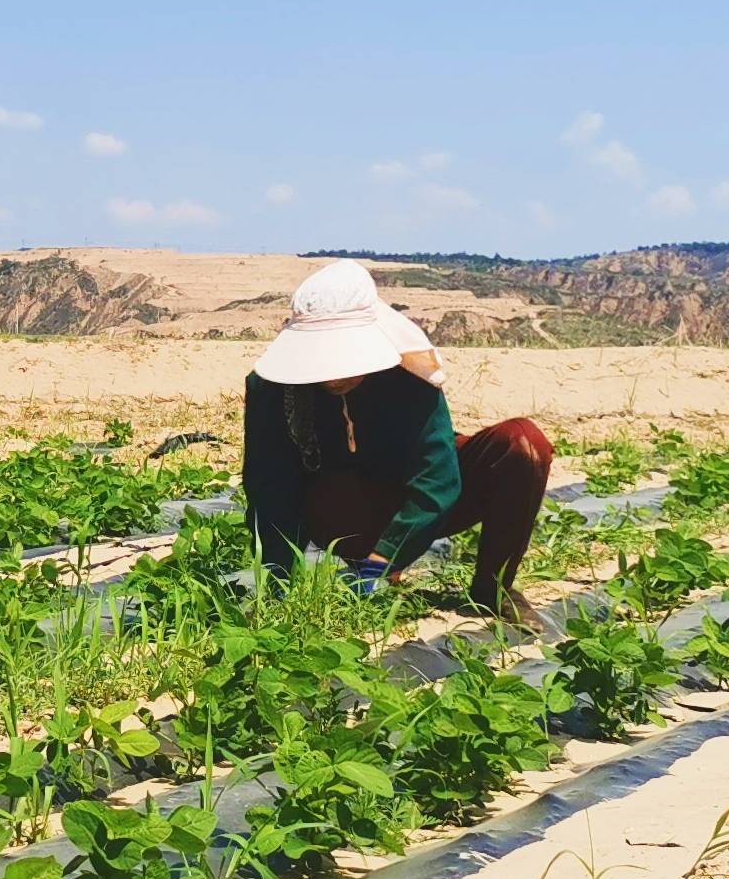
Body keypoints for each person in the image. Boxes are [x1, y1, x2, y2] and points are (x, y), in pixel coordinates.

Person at [239, 261, 558, 615]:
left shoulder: (408, 379)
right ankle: (366, 561)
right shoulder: (272, 389)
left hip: (412, 501)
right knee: (325, 491)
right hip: (341, 512)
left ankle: (493, 589)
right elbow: (269, 486)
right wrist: (277, 584)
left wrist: (385, 560)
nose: (333, 377)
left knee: (523, 444)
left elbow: (436, 481)